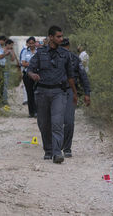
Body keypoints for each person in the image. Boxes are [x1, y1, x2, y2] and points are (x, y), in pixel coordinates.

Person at [28, 26, 77, 164]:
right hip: (42, 92)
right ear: (50, 37)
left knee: (57, 123)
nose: (61, 39)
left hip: (58, 93)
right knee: (44, 123)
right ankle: (48, 150)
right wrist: (33, 75)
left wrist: (74, 92)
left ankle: (57, 153)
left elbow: (70, 76)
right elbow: (30, 70)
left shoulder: (65, 54)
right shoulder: (40, 53)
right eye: (58, 37)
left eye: (62, 36)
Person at [60, 38, 91, 158]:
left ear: (68, 47)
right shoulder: (52, 57)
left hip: (69, 92)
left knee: (69, 121)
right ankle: (55, 145)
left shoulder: (74, 59)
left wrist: (87, 93)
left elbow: (83, 77)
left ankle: (67, 148)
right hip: (55, 92)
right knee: (56, 121)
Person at [21, 37, 38, 118]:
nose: (31, 45)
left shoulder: (38, 52)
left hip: (36, 75)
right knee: (30, 93)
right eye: (29, 43)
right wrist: (33, 64)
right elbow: (23, 63)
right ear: (27, 44)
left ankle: (37, 111)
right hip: (27, 75)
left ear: (35, 43)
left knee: (37, 93)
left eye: (33, 43)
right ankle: (31, 112)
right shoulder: (25, 52)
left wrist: (29, 63)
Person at [3, 39, 18, 105]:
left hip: (8, 69)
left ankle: (5, 99)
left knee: (6, 85)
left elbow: (13, 59)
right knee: (4, 86)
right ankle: (4, 101)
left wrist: (12, 51)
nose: (12, 46)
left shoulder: (10, 50)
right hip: (3, 69)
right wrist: (7, 52)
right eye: (11, 45)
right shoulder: (3, 50)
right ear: (7, 44)